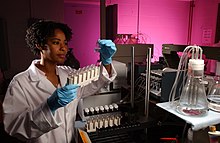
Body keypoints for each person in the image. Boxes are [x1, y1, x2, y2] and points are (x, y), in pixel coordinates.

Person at [2, 20, 117, 143]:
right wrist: (49, 106)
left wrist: (106, 62)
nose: (63, 48)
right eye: (56, 42)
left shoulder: (68, 73)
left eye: (65, 43)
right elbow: (14, 127)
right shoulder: (20, 82)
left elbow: (95, 84)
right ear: (39, 45)